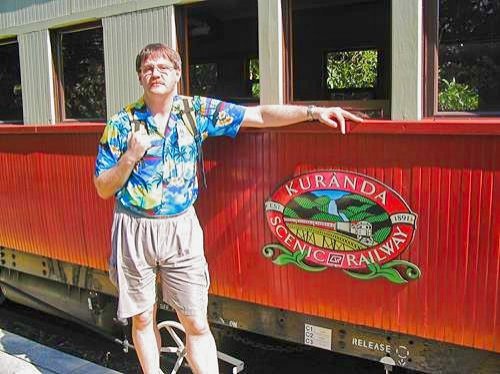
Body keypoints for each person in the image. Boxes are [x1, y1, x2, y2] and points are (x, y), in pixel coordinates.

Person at [93, 43, 363, 374]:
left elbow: (260, 115)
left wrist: (312, 112)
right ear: (139, 76)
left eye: (164, 67)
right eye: (148, 68)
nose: (156, 73)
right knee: (143, 315)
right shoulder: (121, 123)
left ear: (178, 74)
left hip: (181, 226)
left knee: (195, 319)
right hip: (133, 226)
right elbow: (103, 187)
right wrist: (130, 157)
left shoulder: (196, 112)